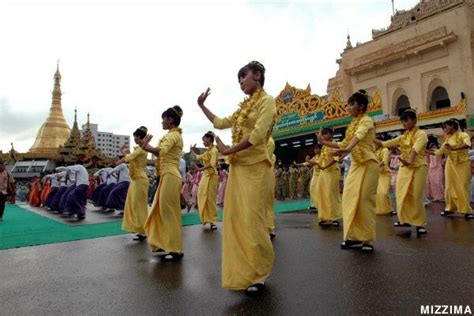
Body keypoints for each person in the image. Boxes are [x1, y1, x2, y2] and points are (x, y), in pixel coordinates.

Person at [197, 60, 275, 295]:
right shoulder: (244, 107)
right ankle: (244, 272)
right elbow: (221, 123)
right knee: (236, 219)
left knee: (252, 219)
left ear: (258, 76)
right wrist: (202, 106)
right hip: (238, 168)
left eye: (244, 76)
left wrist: (228, 150)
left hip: (256, 167)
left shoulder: (267, 102)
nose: (241, 81)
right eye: (239, 78)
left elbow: (257, 135)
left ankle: (259, 273)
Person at [317, 89, 378, 252]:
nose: (348, 107)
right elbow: (342, 144)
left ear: (361, 106)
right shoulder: (351, 125)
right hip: (357, 166)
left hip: (369, 164)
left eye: (352, 104)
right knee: (349, 199)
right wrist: (323, 141)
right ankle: (353, 237)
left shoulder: (367, 121)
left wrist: (346, 150)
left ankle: (366, 240)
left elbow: (358, 137)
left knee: (364, 201)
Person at [139, 105, 184, 262]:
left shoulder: (173, 136)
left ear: (170, 120)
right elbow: (160, 155)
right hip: (166, 176)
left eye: (163, 119)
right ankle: (164, 243)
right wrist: (147, 147)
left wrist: (147, 147)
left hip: (171, 176)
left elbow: (161, 151)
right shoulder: (171, 135)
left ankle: (175, 248)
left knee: (168, 212)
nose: (161, 122)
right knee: (160, 211)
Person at [376, 109, 428, 235]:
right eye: (402, 121)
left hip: (418, 167)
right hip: (404, 168)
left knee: (416, 195)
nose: (404, 123)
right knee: (401, 193)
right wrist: (367, 137)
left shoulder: (421, 134)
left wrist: (409, 161)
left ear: (414, 120)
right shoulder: (402, 136)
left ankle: (419, 224)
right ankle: (404, 220)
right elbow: (384, 144)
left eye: (406, 120)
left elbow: (415, 149)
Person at [427, 119, 473, 219]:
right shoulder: (447, 140)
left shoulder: (463, 135)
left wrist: (454, 149)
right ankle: (449, 209)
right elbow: (438, 153)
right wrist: (424, 151)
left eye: (446, 126)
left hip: (463, 164)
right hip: (450, 165)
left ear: (452, 126)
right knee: (449, 186)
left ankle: (466, 210)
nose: (444, 129)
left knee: (462, 186)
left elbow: (468, 145)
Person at [118, 126, 150, 240]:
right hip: (136, 179)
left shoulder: (141, 149)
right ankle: (140, 229)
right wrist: (125, 153)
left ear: (141, 137)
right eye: (135, 136)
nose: (135, 138)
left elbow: (130, 157)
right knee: (133, 204)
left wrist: (124, 152)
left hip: (140, 179)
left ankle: (143, 230)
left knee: (139, 206)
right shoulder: (139, 149)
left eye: (137, 136)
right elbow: (131, 158)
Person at [191, 131, 219, 230]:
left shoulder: (214, 150)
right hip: (206, 176)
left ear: (209, 139)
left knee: (210, 198)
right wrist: (192, 150)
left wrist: (200, 169)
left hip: (212, 176)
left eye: (204, 140)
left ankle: (212, 221)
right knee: (201, 195)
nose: (203, 142)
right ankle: (206, 218)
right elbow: (198, 157)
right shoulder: (207, 151)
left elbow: (212, 164)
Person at [315, 128, 341, 226]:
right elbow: (320, 161)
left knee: (331, 194)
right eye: (323, 134)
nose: (325, 135)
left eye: (326, 133)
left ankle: (334, 217)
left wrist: (324, 166)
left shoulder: (335, 144)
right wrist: (309, 162)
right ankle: (323, 217)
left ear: (331, 134)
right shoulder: (324, 147)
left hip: (332, 172)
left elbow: (336, 159)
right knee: (321, 194)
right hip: (323, 173)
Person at [374, 134, 393, 215]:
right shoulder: (373, 151)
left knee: (384, 192)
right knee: (378, 193)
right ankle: (386, 209)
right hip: (377, 174)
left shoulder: (385, 150)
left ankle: (387, 209)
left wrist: (375, 166)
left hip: (385, 174)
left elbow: (384, 162)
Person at [266, 137, 277, 239]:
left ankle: (269, 228)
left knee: (266, 203)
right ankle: (269, 228)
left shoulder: (268, 141)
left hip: (264, 175)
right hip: (265, 175)